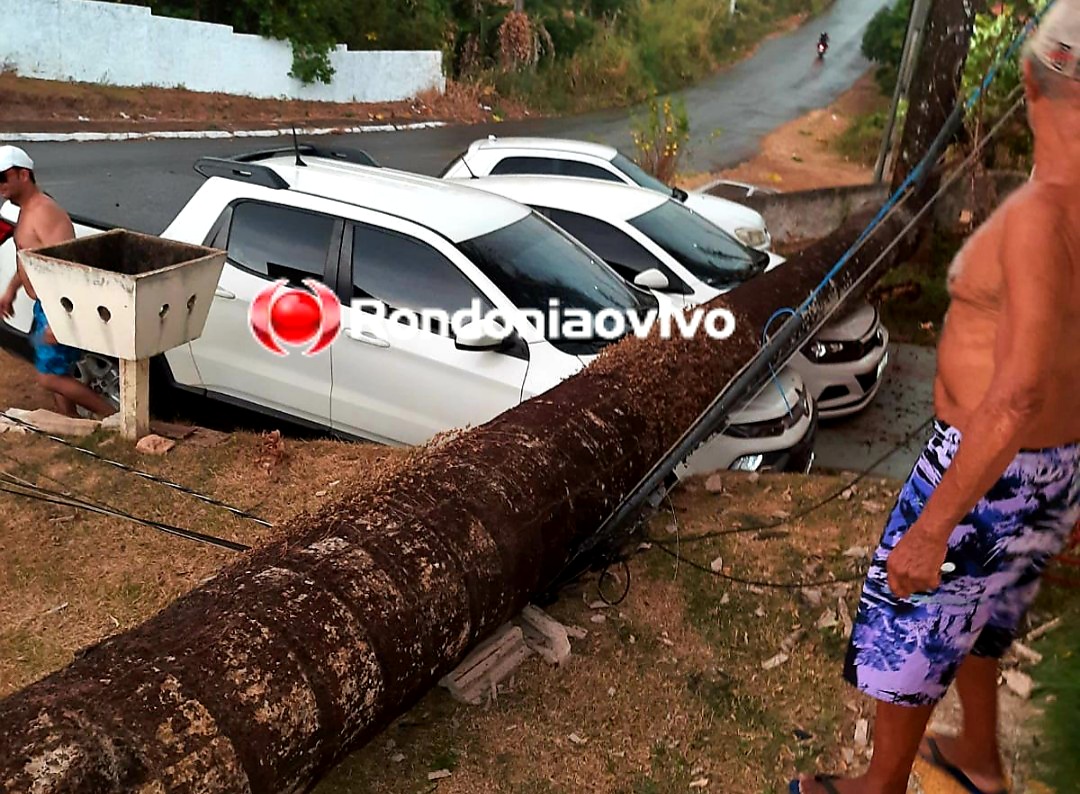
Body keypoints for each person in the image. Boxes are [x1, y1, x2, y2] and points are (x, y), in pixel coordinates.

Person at [792, 3, 1080, 793]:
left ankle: (878, 786)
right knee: (982, 615)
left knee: (911, 622)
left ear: (1034, 78)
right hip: (1053, 467)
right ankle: (980, 756)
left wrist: (931, 528)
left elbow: (1017, 394)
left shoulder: (1040, 216)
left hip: (991, 463)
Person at [0, 145, 116, 418]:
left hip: (58, 305)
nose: (0, 185)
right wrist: (12, 290)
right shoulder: (27, 211)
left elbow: (66, 267)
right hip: (46, 305)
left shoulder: (43, 212)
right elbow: (34, 261)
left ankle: (115, 419)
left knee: (49, 377)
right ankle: (70, 421)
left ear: (23, 175)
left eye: (2, 177)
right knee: (58, 371)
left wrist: (58, 319)